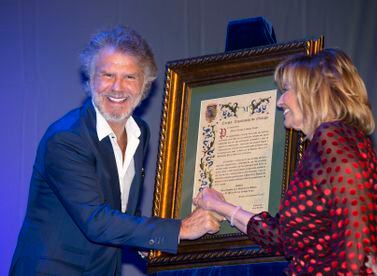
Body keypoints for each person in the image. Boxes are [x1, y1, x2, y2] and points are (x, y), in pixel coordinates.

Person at [10, 26, 221, 275]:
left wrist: (149, 240)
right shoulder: (66, 139)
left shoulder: (139, 133)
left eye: (130, 77)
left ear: (145, 85)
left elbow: (122, 213)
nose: (117, 88)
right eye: (107, 75)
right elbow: (97, 221)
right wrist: (179, 229)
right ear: (90, 80)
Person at [194, 49, 377, 275]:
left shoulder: (332, 138)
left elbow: (356, 241)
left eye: (287, 90)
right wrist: (219, 206)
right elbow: (282, 237)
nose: (280, 101)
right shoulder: (336, 142)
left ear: (315, 92)